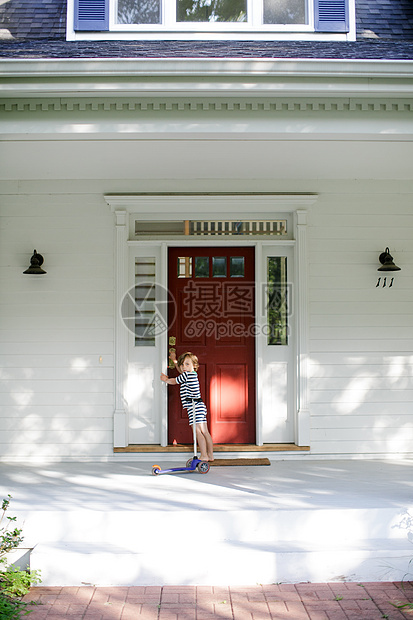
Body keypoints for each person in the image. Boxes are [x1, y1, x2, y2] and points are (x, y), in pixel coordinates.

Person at [160, 351, 214, 462]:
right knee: (205, 431)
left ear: (194, 365)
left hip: (194, 407)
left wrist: (165, 380)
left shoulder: (186, 375)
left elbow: (175, 381)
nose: (184, 367)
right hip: (199, 406)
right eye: (182, 364)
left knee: (197, 431)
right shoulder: (192, 374)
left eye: (187, 364)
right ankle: (210, 455)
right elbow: (182, 372)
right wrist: (175, 361)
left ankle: (203, 455)